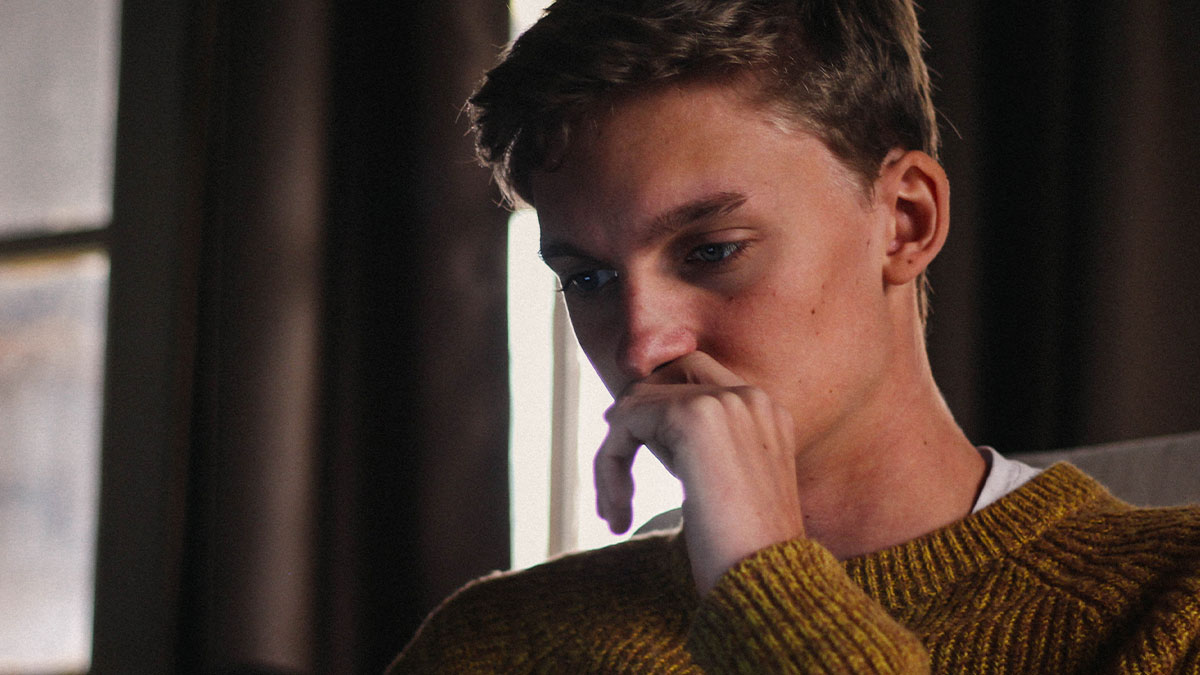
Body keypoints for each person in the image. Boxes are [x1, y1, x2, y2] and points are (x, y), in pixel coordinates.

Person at [389, 0, 1200, 671]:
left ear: (905, 221)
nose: (643, 348)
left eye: (712, 250)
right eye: (588, 278)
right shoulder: (495, 644)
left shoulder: (1175, 606)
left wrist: (766, 585)